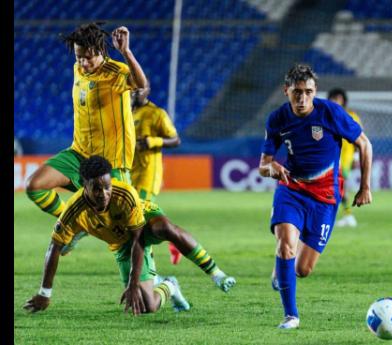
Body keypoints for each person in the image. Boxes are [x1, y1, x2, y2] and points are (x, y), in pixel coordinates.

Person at [23, 156, 235, 315]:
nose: (104, 194)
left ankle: (216, 273)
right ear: (83, 185)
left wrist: (133, 284)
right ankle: (170, 286)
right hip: (121, 245)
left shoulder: (125, 194)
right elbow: (54, 248)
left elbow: (138, 238)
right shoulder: (73, 210)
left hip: (142, 224)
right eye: (97, 189)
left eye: (107, 187)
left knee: (165, 228)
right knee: (148, 307)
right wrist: (45, 294)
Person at [258, 64, 372, 329]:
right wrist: (271, 168)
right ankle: (291, 315)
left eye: (308, 92)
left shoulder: (330, 112)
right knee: (285, 243)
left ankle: (283, 266)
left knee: (303, 270)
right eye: (297, 92)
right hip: (292, 189)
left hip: (325, 197)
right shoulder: (277, 119)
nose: (302, 98)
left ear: (315, 91)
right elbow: (263, 165)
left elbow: (364, 144)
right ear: (286, 91)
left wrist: (365, 187)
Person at [25, 22, 148, 254]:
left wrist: (126, 52)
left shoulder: (115, 72)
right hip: (78, 154)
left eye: (89, 57)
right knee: (34, 185)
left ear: (100, 52)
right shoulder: (78, 69)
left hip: (110, 163)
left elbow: (141, 84)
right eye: (79, 56)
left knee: (126, 234)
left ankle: (154, 280)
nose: (83, 62)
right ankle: (76, 225)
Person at [130, 88, 183, 265]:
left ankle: (146, 264)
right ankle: (174, 239)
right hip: (129, 171)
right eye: (131, 88)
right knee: (142, 214)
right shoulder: (126, 111)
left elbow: (175, 139)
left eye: (139, 89)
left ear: (147, 91)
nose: (134, 92)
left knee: (138, 216)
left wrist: (153, 141)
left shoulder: (156, 113)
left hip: (148, 173)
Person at [327, 88, 363, 227]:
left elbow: (360, 139)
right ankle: (346, 215)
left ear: (343, 101)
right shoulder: (325, 115)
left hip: (345, 157)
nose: (336, 101)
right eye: (333, 98)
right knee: (335, 186)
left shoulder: (351, 116)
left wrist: (355, 157)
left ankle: (348, 215)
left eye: (338, 99)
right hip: (329, 156)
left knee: (339, 185)